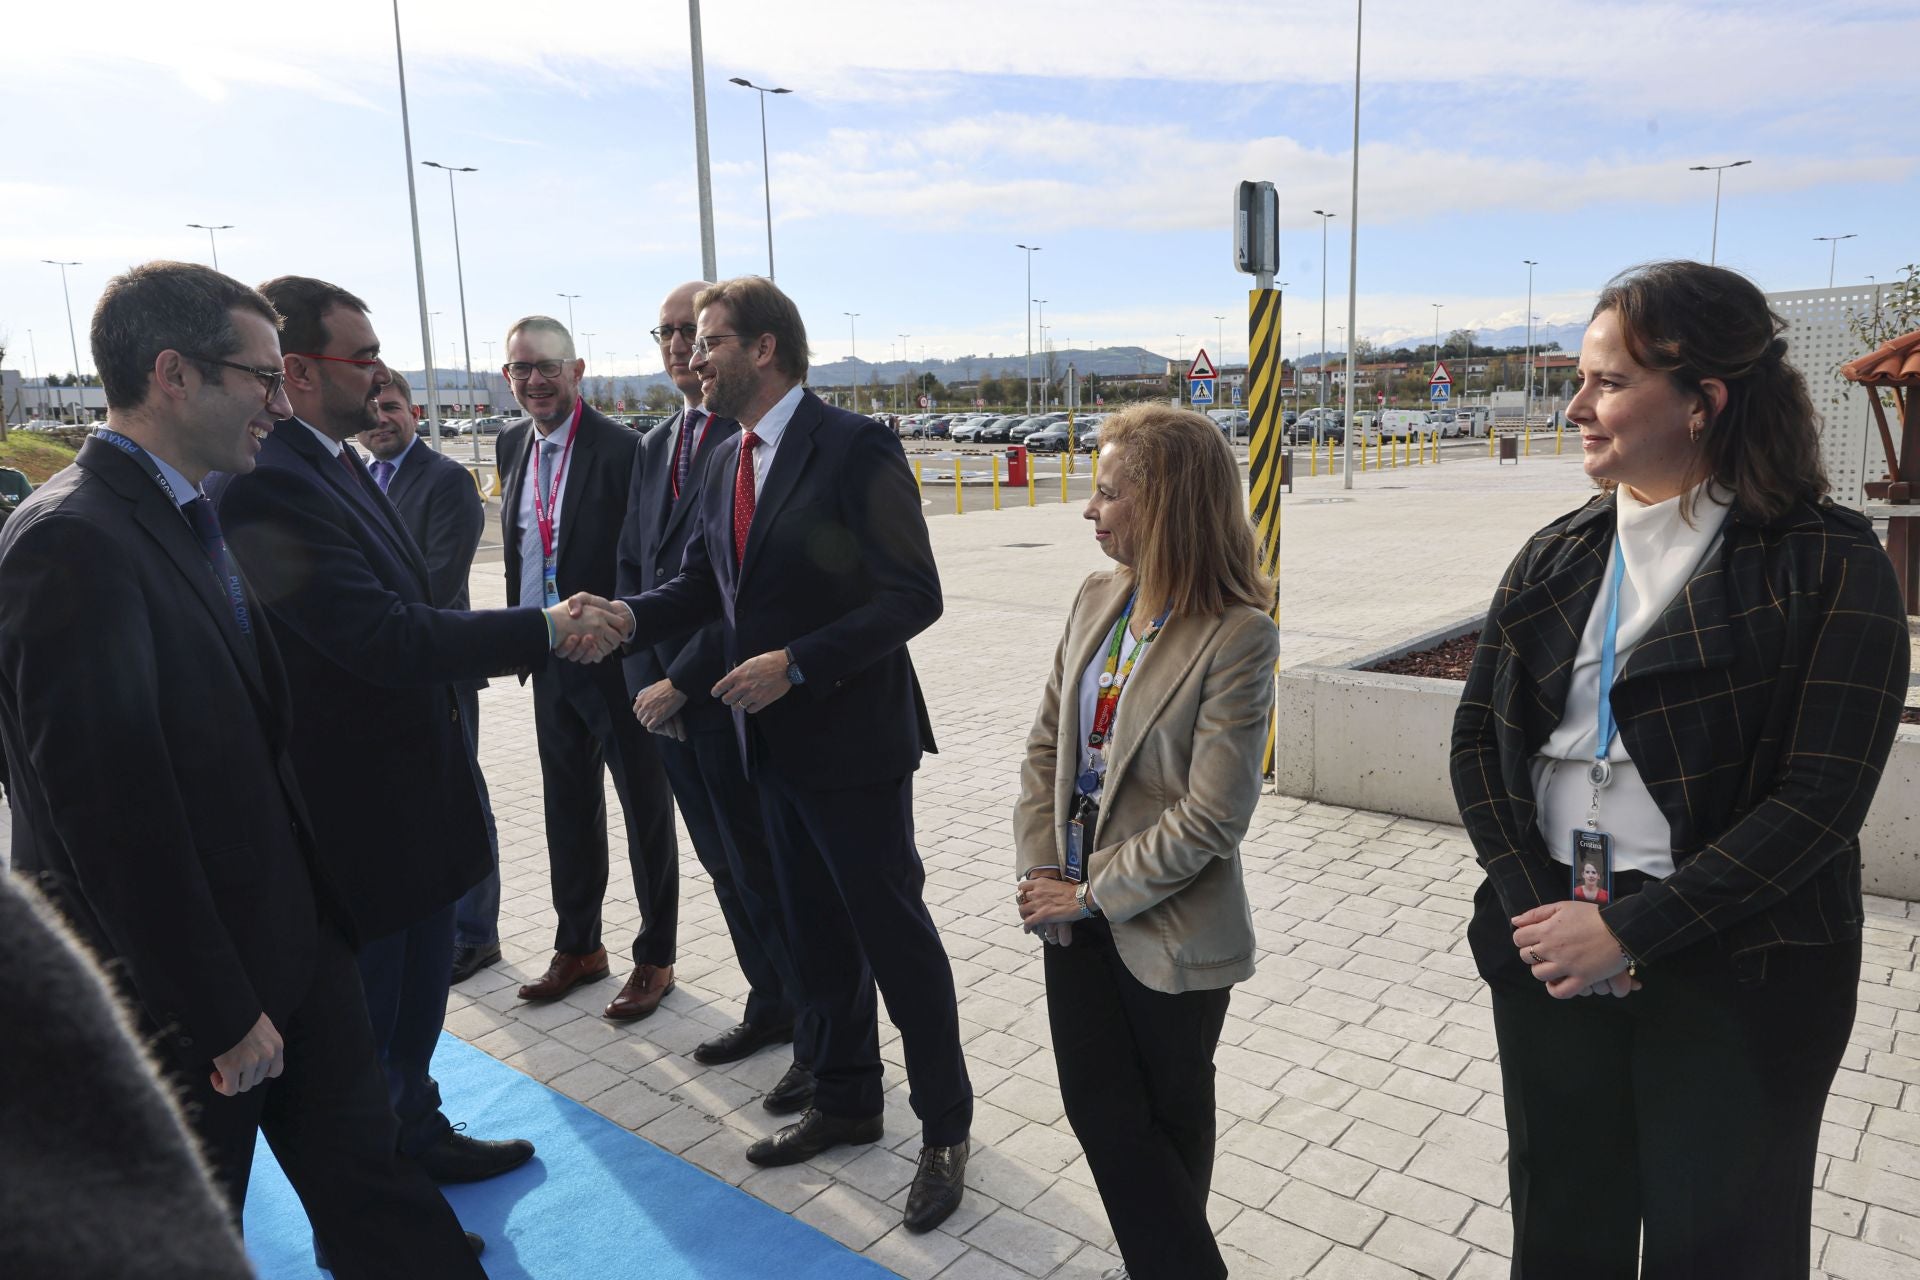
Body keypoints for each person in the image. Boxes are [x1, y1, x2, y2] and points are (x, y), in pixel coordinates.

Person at [0, 260, 485, 1276]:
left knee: (379, 1195)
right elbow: (111, 821)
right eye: (259, 377)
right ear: (175, 375)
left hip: (293, 945)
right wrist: (218, 1010)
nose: (280, 398)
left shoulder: (194, 507)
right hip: (188, 995)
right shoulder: (72, 545)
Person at [1451, 260, 1910, 1278]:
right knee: (1564, 1220)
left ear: (1705, 401)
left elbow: (1820, 802)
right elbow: (1479, 741)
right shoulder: (1556, 555)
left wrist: (1628, 927)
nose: (1576, 406)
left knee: (1724, 1243)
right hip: (1555, 951)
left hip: (1741, 972)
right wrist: (1545, 919)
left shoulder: (1828, 565)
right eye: (1581, 378)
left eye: (1608, 382)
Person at [214, 276, 622, 1198]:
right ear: (300, 371)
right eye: (362, 356)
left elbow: (409, 606)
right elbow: (381, 633)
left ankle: (418, 1127)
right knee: (373, 1018)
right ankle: (386, 1199)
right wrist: (547, 627)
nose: (381, 372)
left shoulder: (334, 458)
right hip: (361, 807)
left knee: (416, 1003)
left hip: (415, 786)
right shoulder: (266, 484)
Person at [604, 276, 973, 1233]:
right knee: (813, 936)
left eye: (710, 341)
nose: (692, 357)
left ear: (764, 349)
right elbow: (703, 587)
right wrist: (623, 619)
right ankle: (847, 1101)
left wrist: (798, 666)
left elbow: (911, 596)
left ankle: (945, 1130)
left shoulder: (855, 445)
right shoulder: (726, 454)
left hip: (852, 743)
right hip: (761, 743)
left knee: (892, 937)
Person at [1011, 404, 1277, 1280]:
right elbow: (1049, 747)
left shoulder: (1238, 635)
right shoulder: (1096, 597)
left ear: (1163, 506)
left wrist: (1092, 892)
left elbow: (1215, 815)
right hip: (1068, 904)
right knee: (1100, 1113)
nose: (1090, 510)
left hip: (1165, 926)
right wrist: (1044, 865)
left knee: (1168, 1123)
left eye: (1106, 493)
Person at [615, 281, 815, 1114]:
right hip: (661, 699)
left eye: (691, 334)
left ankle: (817, 1030)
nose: (677, 349)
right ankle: (767, 1001)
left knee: (771, 871)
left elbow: (743, 595)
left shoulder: (760, 441)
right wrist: (640, 678)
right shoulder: (660, 441)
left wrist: (679, 678)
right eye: (665, 332)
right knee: (724, 868)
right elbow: (637, 565)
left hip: (727, 694)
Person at [497, 315, 681, 1022]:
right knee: (566, 810)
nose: (536, 380)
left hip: (617, 663)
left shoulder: (625, 449)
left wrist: (624, 636)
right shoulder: (514, 442)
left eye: (548, 366)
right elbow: (525, 550)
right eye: (522, 369)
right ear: (507, 378)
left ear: (578, 373)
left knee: (644, 813)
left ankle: (654, 955)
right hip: (548, 661)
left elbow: (646, 558)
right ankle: (579, 946)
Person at [358, 372, 504, 983]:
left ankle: (477, 932)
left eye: (390, 407)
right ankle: (434, 921)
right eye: (369, 412)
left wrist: (361, 616)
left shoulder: (446, 479)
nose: (380, 420)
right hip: (384, 673)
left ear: (414, 411)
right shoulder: (359, 477)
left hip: (440, 669)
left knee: (461, 795)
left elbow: (439, 582)